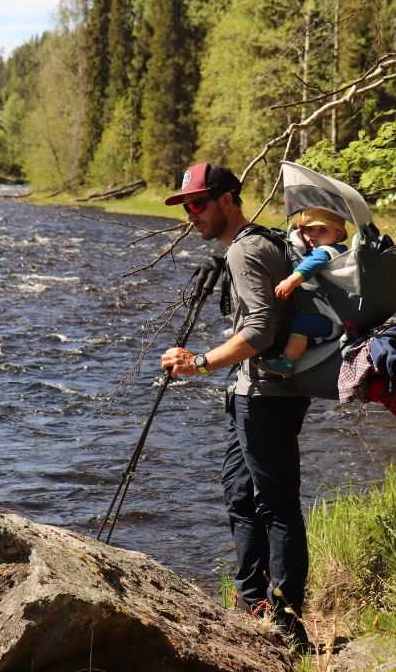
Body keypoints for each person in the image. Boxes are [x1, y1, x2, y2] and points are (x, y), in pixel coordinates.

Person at [160, 162, 312, 650]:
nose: (192, 215)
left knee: (276, 505)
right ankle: (253, 607)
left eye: (199, 203)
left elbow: (261, 330)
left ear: (229, 199)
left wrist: (199, 363)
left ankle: (287, 626)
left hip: (265, 397)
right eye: (187, 206)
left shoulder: (246, 251)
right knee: (241, 498)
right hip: (257, 393)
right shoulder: (256, 245)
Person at [261, 207, 349, 377]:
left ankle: (288, 362)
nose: (313, 234)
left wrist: (291, 280)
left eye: (322, 229)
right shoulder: (327, 249)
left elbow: (310, 266)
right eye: (308, 229)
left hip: (333, 320)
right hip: (334, 315)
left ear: (338, 235)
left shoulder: (328, 251)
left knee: (301, 324)